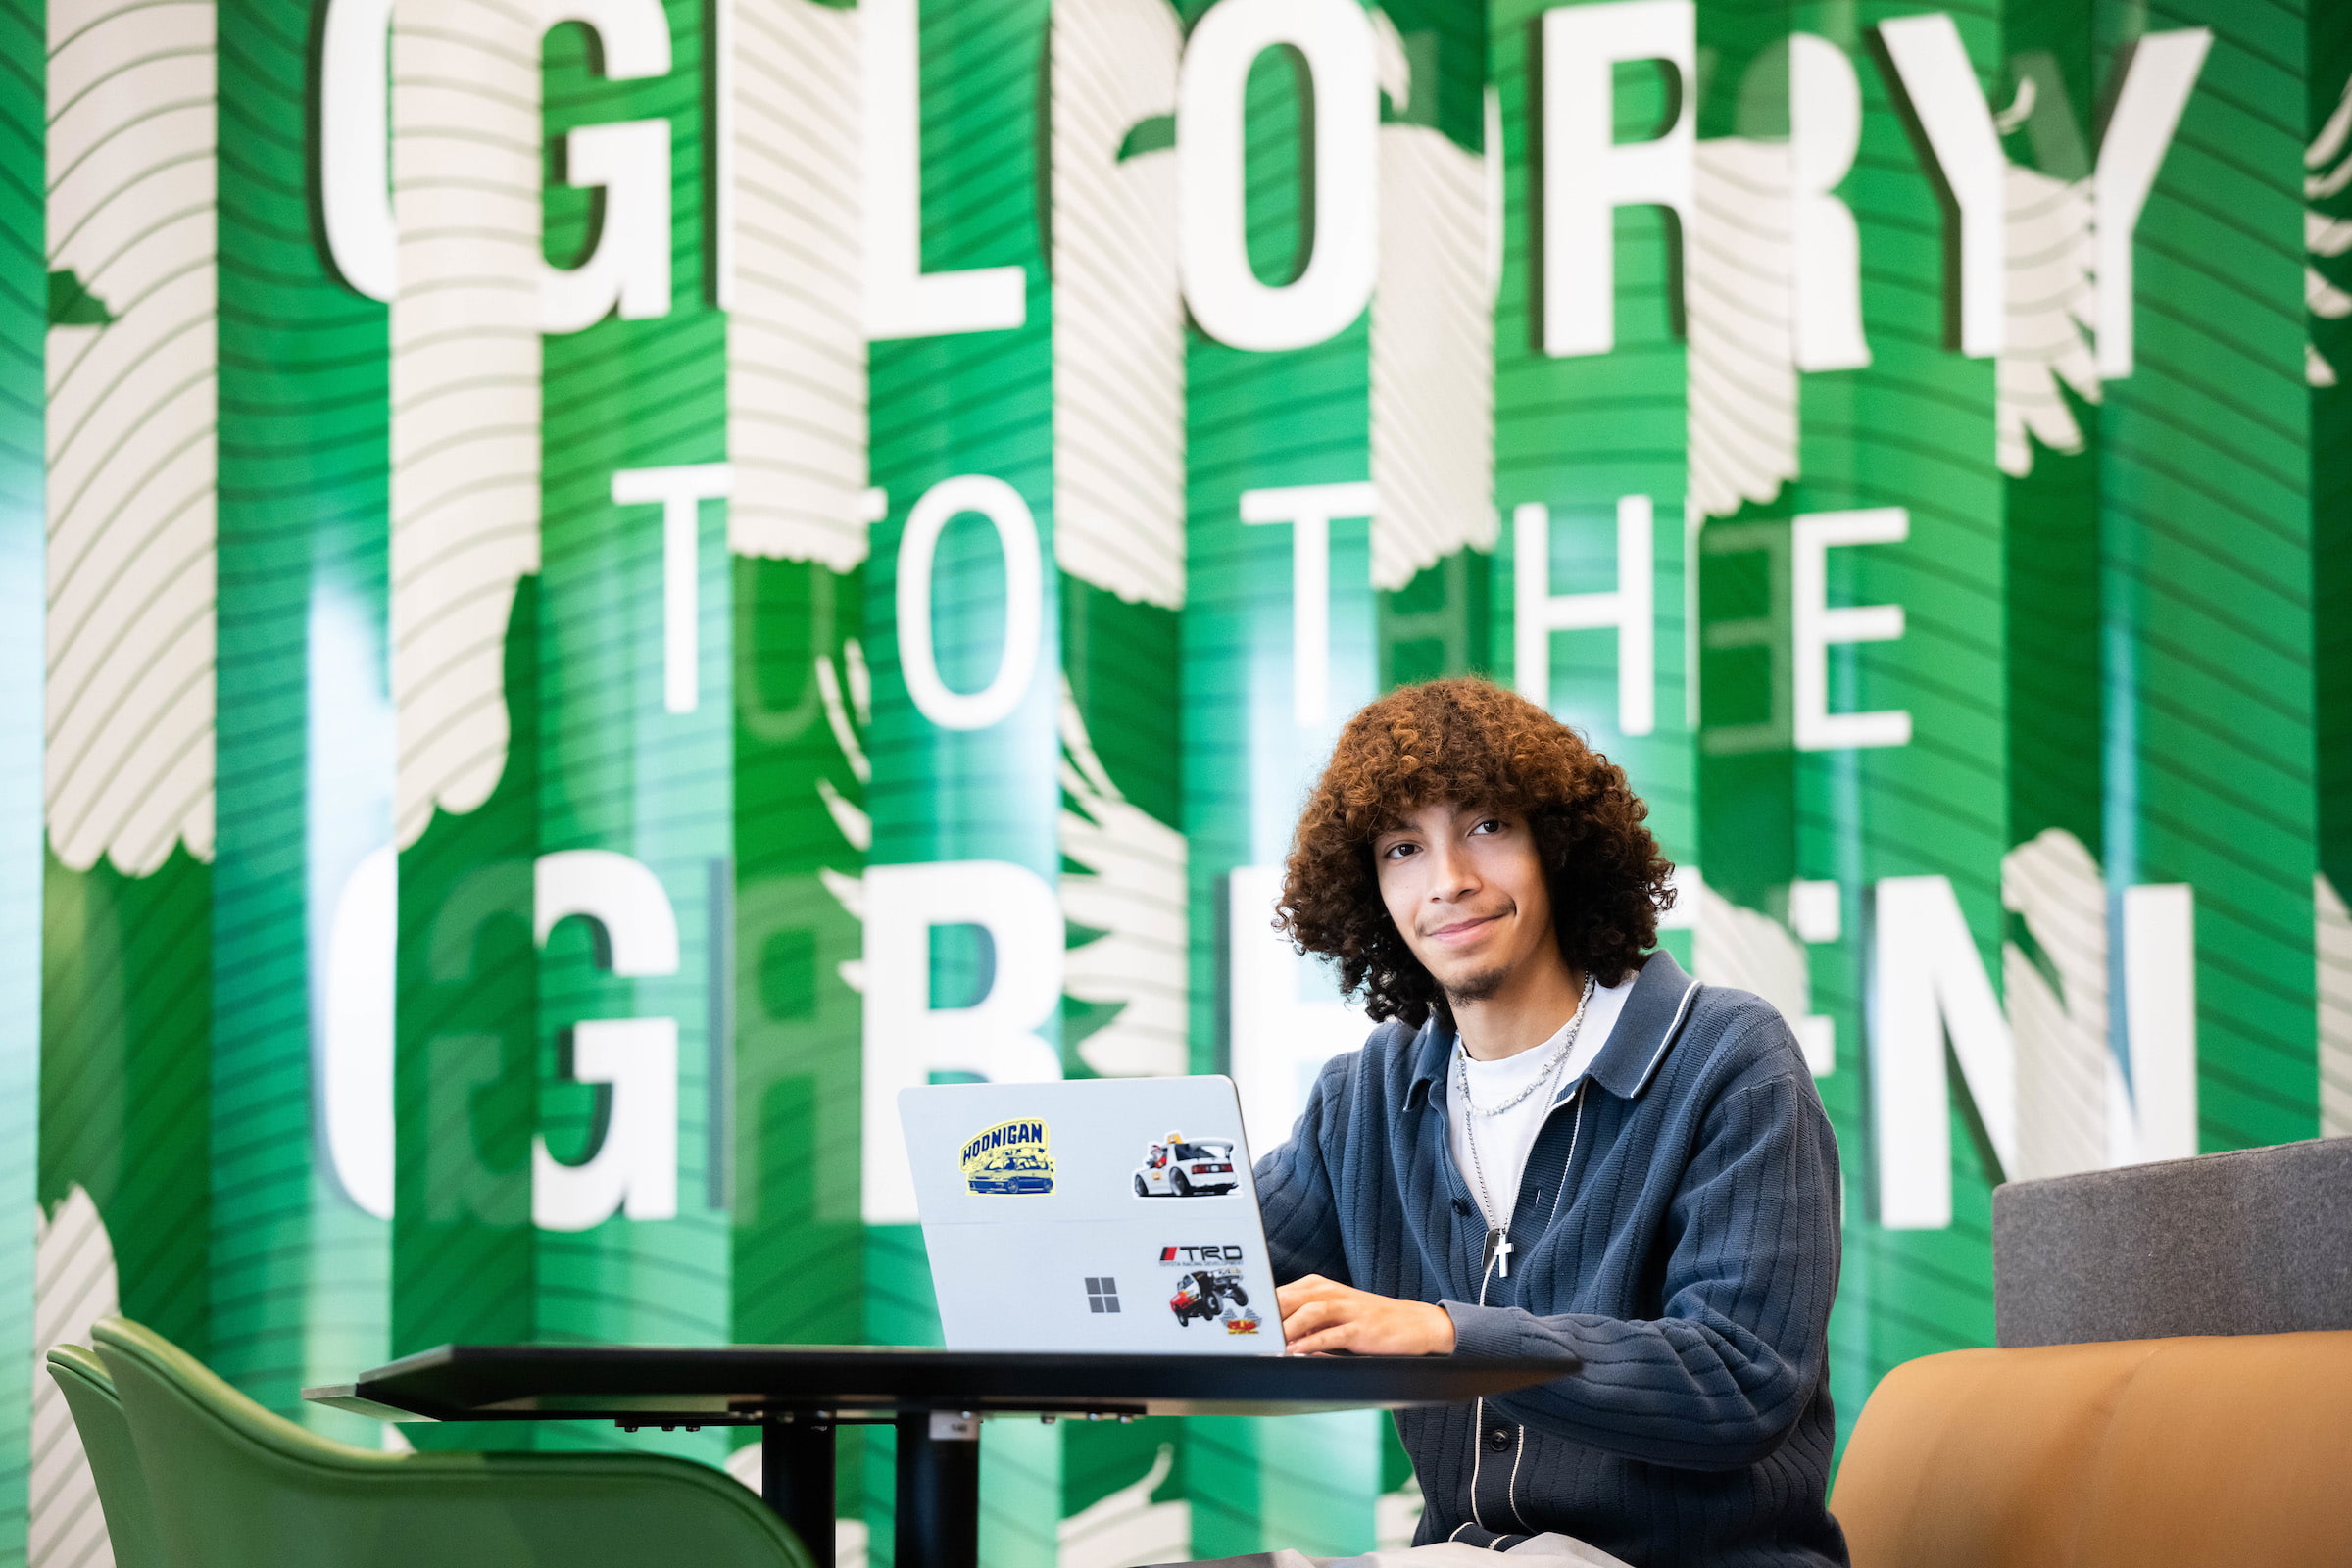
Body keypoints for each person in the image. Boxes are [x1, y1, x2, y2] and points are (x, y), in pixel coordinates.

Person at [1251, 678, 1846, 1568]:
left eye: (1487, 827)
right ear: (1367, 889)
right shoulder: (1365, 1096)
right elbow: (1216, 1272)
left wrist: (1448, 1337)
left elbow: (1740, 1381)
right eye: (1404, 848)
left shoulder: (1726, 1057)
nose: (1449, 881)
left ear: (1560, 848)